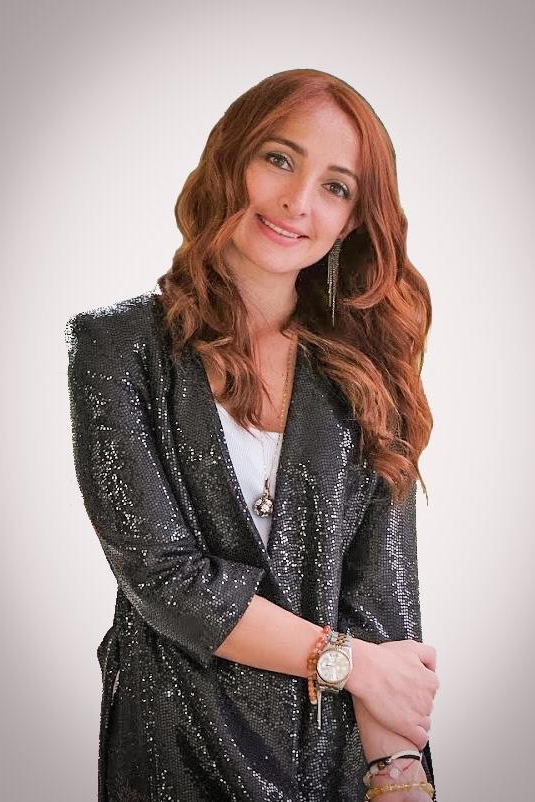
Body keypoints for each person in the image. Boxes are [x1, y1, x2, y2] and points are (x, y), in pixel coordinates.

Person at [65, 68, 439, 802]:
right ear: (230, 158)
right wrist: (352, 664)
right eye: (278, 158)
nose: (298, 201)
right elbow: (165, 579)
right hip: (174, 748)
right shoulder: (115, 347)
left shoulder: (367, 373)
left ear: (352, 221)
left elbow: (381, 606)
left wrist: (397, 775)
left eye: (336, 187)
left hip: (331, 761)